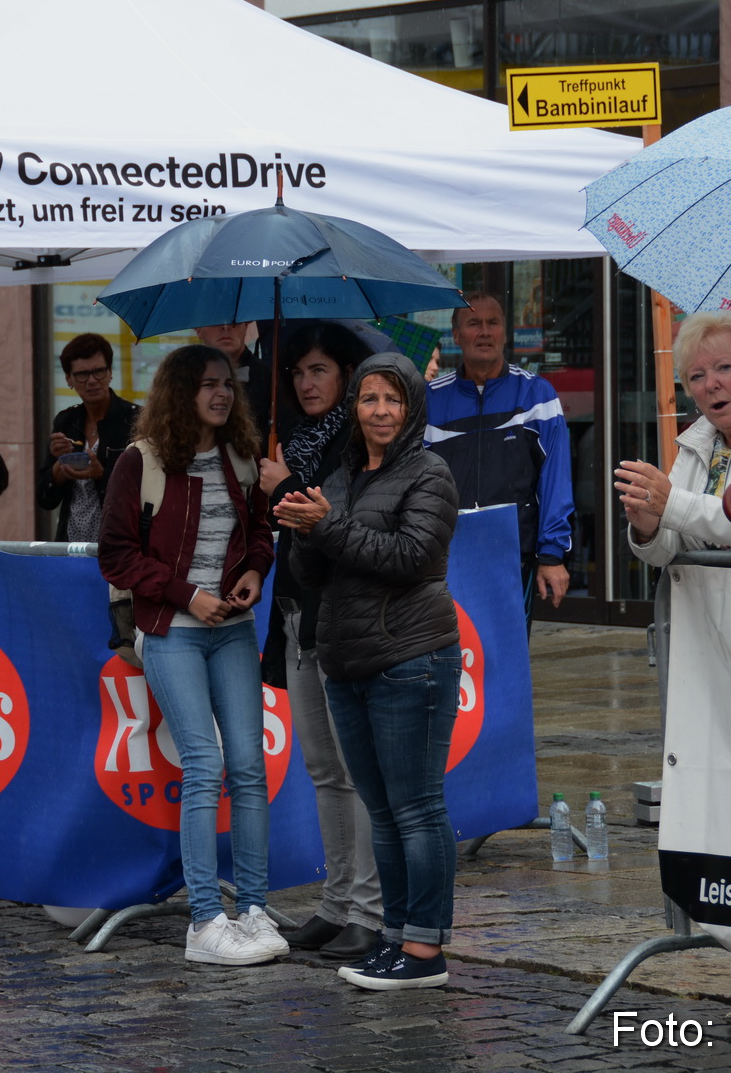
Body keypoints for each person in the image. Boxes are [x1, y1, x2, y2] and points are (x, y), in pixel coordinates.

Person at [279, 351, 462, 991]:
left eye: (393, 399)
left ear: (411, 407)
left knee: (417, 809)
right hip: (347, 662)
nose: (381, 411)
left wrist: (327, 526)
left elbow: (410, 556)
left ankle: (425, 949)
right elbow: (312, 577)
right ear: (354, 407)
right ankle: (394, 938)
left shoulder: (430, 472)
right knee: (381, 813)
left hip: (410, 658)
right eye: (369, 399)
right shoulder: (341, 476)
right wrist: (304, 532)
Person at [98, 343, 281, 967]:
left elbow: (260, 532)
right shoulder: (140, 461)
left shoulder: (242, 456)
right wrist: (188, 595)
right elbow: (116, 555)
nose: (222, 393)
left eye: (227, 383)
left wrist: (255, 570)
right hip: (169, 627)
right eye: (208, 384)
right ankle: (204, 921)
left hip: (233, 626)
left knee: (249, 765)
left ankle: (252, 910)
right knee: (204, 764)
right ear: (181, 392)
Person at [254, 322, 384, 963]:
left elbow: (332, 528)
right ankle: (336, 906)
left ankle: (368, 911)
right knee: (324, 771)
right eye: (298, 372)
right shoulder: (292, 442)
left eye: (319, 371)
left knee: (358, 772)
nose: (306, 383)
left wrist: (281, 488)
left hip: (340, 622)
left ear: (346, 377)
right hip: (294, 617)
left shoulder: (353, 446)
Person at [425, 293, 574, 613]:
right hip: (445, 561)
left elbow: (555, 481)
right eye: (473, 323)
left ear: (505, 332)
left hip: (514, 560)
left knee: (507, 648)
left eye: (492, 323)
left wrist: (552, 555)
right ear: (456, 335)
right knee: (450, 647)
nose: (484, 332)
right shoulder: (430, 400)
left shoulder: (537, 395)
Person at [615, 312, 731, 564]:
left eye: (724, 367)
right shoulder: (695, 441)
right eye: (697, 376)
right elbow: (667, 552)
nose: (710, 384)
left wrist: (671, 504)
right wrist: (649, 528)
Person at [39, 333, 139, 542]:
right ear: (69, 379)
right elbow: (45, 499)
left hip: (119, 543)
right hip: (70, 545)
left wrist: (101, 475)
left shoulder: (135, 420)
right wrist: (57, 470)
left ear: (110, 373)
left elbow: (146, 490)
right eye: (82, 374)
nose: (92, 381)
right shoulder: (65, 421)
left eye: (99, 371)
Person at [196, 321, 281, 448]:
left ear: (246, 325)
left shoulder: (272, 378)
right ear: (198, 329)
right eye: (216, 320)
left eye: (234, 320)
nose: (226, 326)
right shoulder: (184, 377)